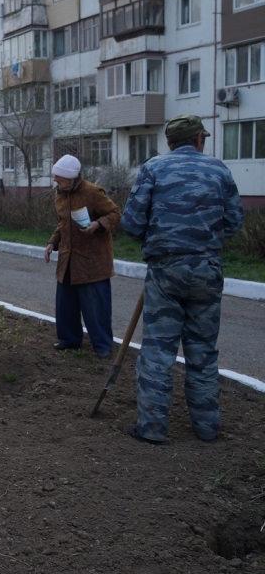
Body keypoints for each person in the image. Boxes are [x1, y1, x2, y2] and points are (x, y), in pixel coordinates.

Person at [120, 115, 243, 445]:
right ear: (198, 140)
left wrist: (161, 239)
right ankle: (206, 428)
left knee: (158, 352)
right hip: (207, 269)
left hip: (166, 271)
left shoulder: (154, 169)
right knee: (203, 352)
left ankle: (153, 429)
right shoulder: (219, 170)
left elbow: (130, 223)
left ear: (170, 143)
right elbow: (234, 223)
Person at [43, 154, 121, 360]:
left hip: (92, 261)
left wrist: (97, 225)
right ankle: (69, 339)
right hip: (68, 258)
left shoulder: (93, 192)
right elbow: (62, 223)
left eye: (59, 178)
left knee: (96, 306)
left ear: (71, 178)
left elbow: (115, 214)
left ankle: (103, 345)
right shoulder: (60, 194)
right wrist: (53, 242)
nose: (55, 182)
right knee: (66, 303)